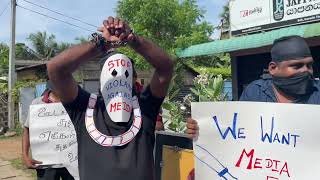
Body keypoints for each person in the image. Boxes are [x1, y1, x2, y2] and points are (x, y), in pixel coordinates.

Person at [47, 16, 173, 180]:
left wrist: (132, 39)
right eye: (112, 74)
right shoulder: (85, 109)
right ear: (101, 80)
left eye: (126, 74)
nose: (119, 78)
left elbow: (166, 67)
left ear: (134, 80)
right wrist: (100, 43)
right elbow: (56, 69)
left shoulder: (144, 108)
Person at [186, 35, 320, 138]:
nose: (306, 71)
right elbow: (234, 131)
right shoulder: (255, 93)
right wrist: (200, 129)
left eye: (309, 65)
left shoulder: (317, 92)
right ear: (273, 68)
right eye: (297, 66)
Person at [22, 81, 75, 180]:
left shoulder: (73, 103)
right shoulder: (37, 103)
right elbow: (27, 129)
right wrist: (25, 155)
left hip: (71, 162)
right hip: (45, 163)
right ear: (50, 85)